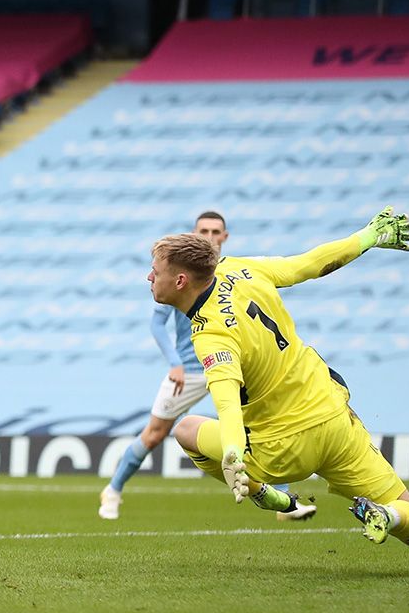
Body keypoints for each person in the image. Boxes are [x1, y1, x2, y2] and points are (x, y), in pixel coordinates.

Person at [149, 207, 409, 546]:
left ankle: (263, 493)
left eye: (155, 272)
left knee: (186, 430)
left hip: (282, 449)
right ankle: (389, 516)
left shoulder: (211, 333)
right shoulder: (241, 269)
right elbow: (309, 264)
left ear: (180, 281)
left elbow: (227, 404)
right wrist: (368, 237)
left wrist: (235, 455)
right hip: (335, 420)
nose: (149, 278)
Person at [101, 212, 312, 522]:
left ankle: (286, 503)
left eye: (216, 231)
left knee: (265, 423)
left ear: (224, 237)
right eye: (203, 230)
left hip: (231, 368)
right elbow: (158, 324)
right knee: (155, 434)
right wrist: (174, 363)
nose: (209, 236)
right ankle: (113, 489)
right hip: (190, 369)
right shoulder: (179, 276)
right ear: (194, 233)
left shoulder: (233, 273)